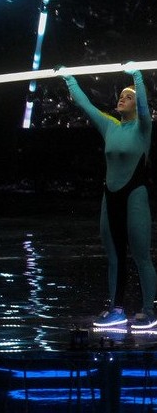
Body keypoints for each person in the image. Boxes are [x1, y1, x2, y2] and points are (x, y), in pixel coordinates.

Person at [62, 68, 156, 330]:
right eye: (121, 96)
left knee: (141, 255)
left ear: (137, 104)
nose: (122, 99)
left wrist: (137, 76)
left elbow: (144, 108)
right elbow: (85, 105)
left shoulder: (143, 128)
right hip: (110, 197)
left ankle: (149, 311)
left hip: (135, 195)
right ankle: (116, 310)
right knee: (114, 256)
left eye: (128, 97)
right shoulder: (110, 126)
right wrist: (69, 79)